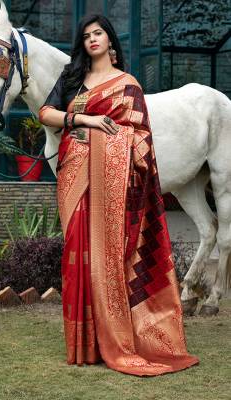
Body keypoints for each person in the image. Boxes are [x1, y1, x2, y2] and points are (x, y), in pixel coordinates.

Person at [39, 14, 199, 376]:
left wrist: (107, 142)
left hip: (113, 191)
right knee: (77, 256)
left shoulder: (127, 86)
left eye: (98, 33)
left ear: (110, 41)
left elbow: (141, 140)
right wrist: (85, 121)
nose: (92, 39)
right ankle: (83, 345)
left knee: (105, 259)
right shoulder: (72, 79)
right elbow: (45, 112)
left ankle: (113, 338)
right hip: (74, 180)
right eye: (86, 36)